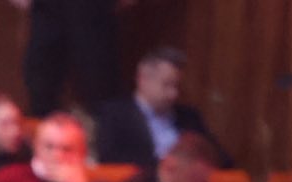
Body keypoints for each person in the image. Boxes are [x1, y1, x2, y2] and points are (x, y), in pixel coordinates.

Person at [93, 47, 226, 172]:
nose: (174, 94)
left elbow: (222, 158)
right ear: (143, 80)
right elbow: (109, 159)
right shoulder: (116, 115)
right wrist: (167, 165)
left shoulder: (189, 117)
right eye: (167, 85)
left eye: (177, 86)